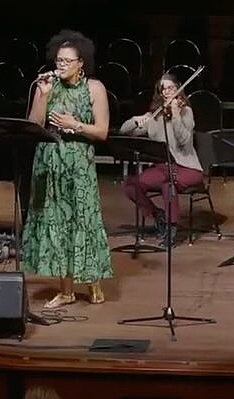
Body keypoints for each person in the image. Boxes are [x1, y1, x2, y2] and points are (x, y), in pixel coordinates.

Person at [24, 29, 113, 308]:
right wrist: (43, 95)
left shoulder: (94, 88)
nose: (60, 65)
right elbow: (33, 125)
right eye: (58, 60)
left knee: (84, 221)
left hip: (78, 161)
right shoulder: (49, 87)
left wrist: (75, 125)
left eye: (66, 61)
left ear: (80, 63)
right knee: (57, 223)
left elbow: (102, 132)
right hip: (50, 161)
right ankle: (66, 290)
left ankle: (94, 282)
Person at [119, 73, 204, 248]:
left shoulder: (185, 111)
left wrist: (175, 114)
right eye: (163, 88)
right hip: (163, 168)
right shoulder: (155, 116)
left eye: (171, 87)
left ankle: (172, 229)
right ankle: (159, 216)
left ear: (178, 88)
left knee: (168, 184)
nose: (167, 91)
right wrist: (136, 120)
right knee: (130, 185)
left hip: (187, 168)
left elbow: (183, 139)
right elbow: (124, 131)